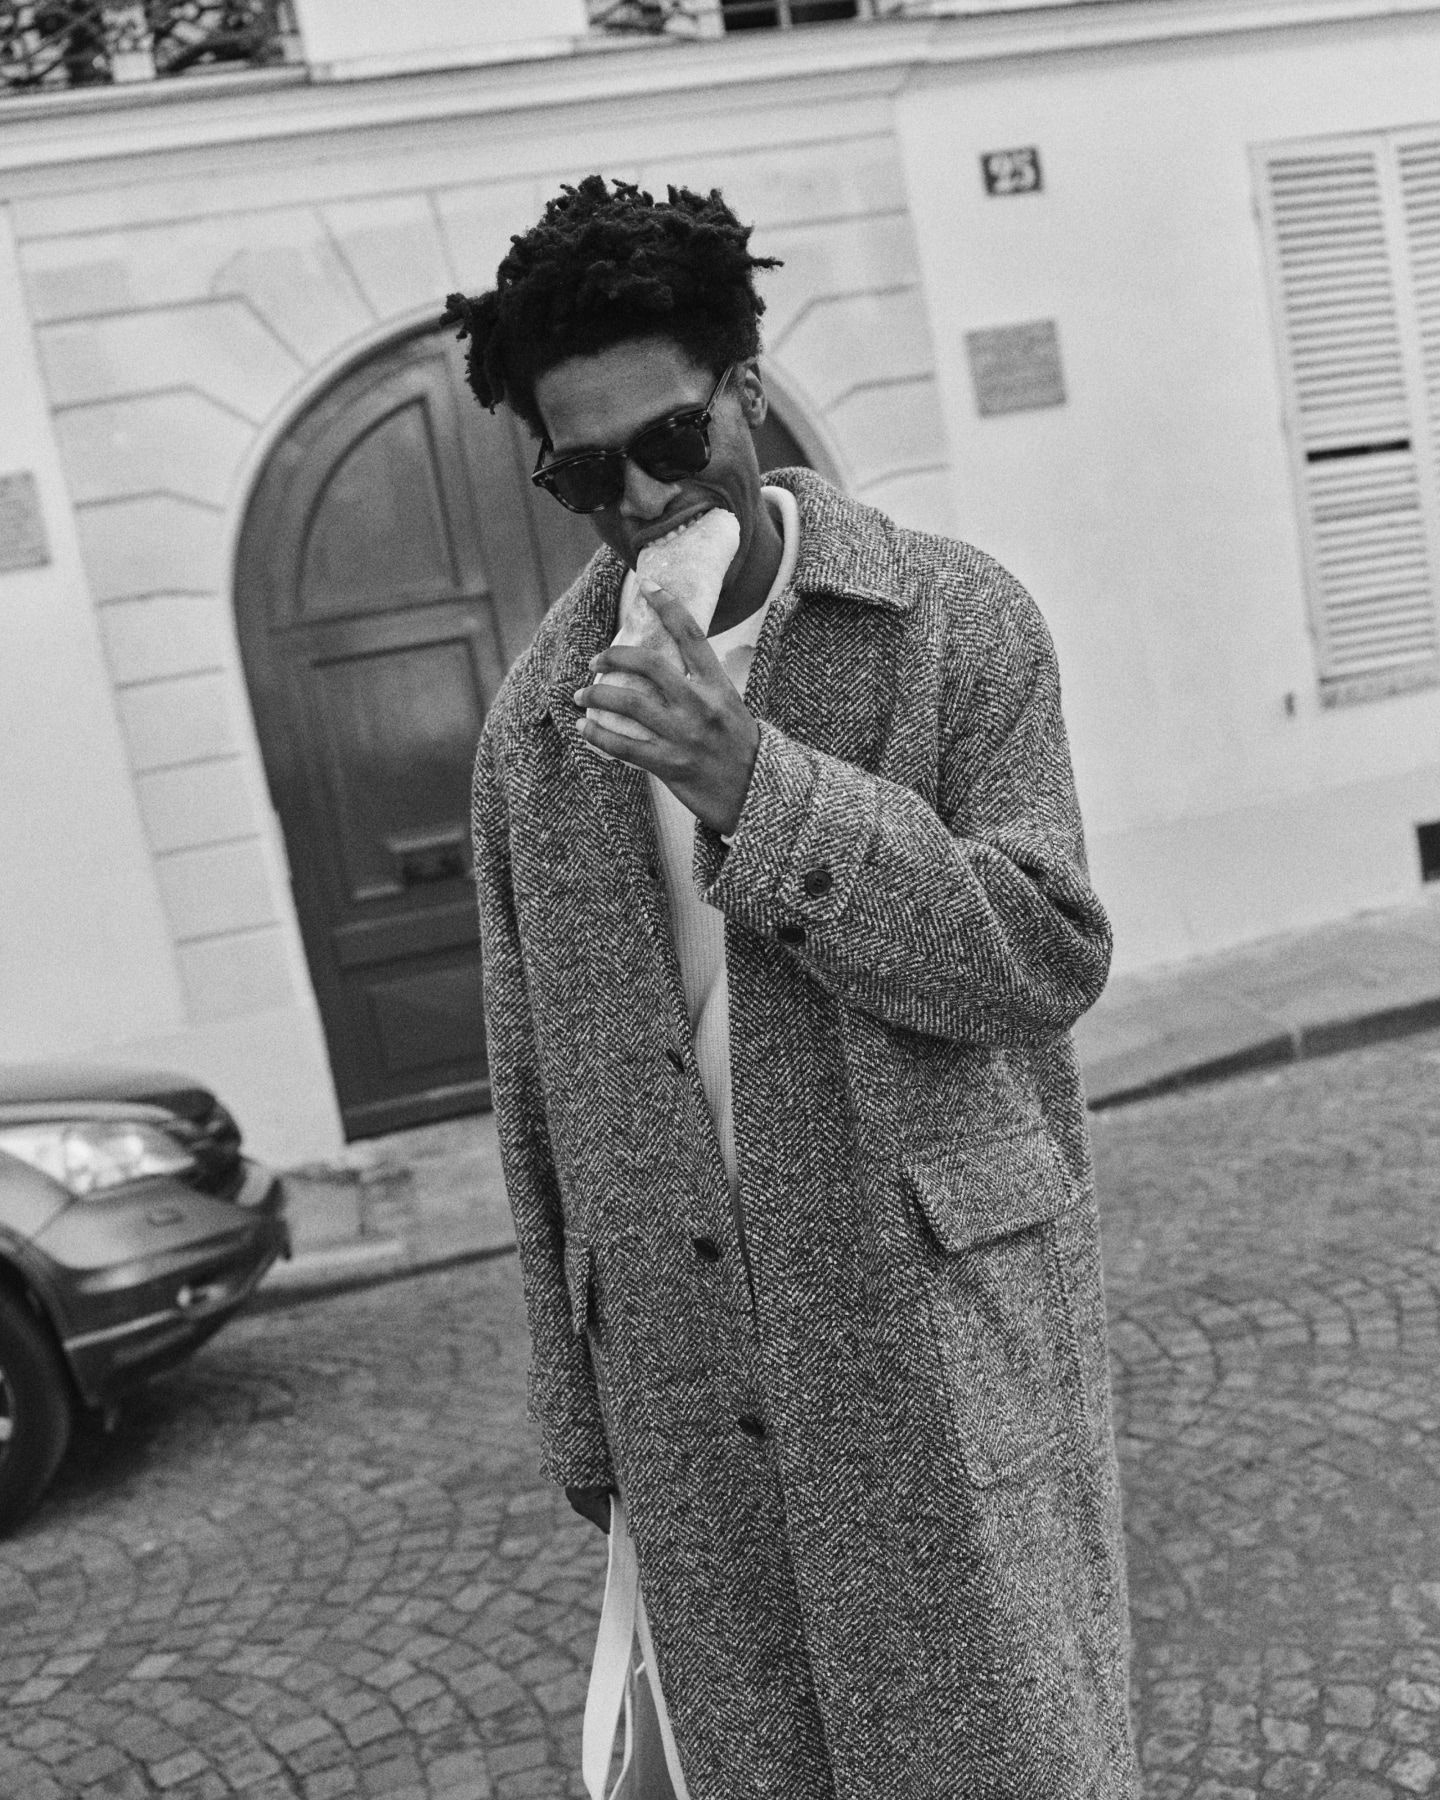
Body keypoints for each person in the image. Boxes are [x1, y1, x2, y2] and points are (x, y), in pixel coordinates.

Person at [444, 175, 1138, 1800]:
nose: (636, 502)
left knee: (1000, 1754)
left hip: (933, 1337)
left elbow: (1044, 957)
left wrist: (758, 788)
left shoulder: (952, 621)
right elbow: (531, 1095)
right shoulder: (536, 734)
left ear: (746, 391)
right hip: (686, 1382)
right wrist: (584, 1420)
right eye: (582, 473)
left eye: (670, 441)